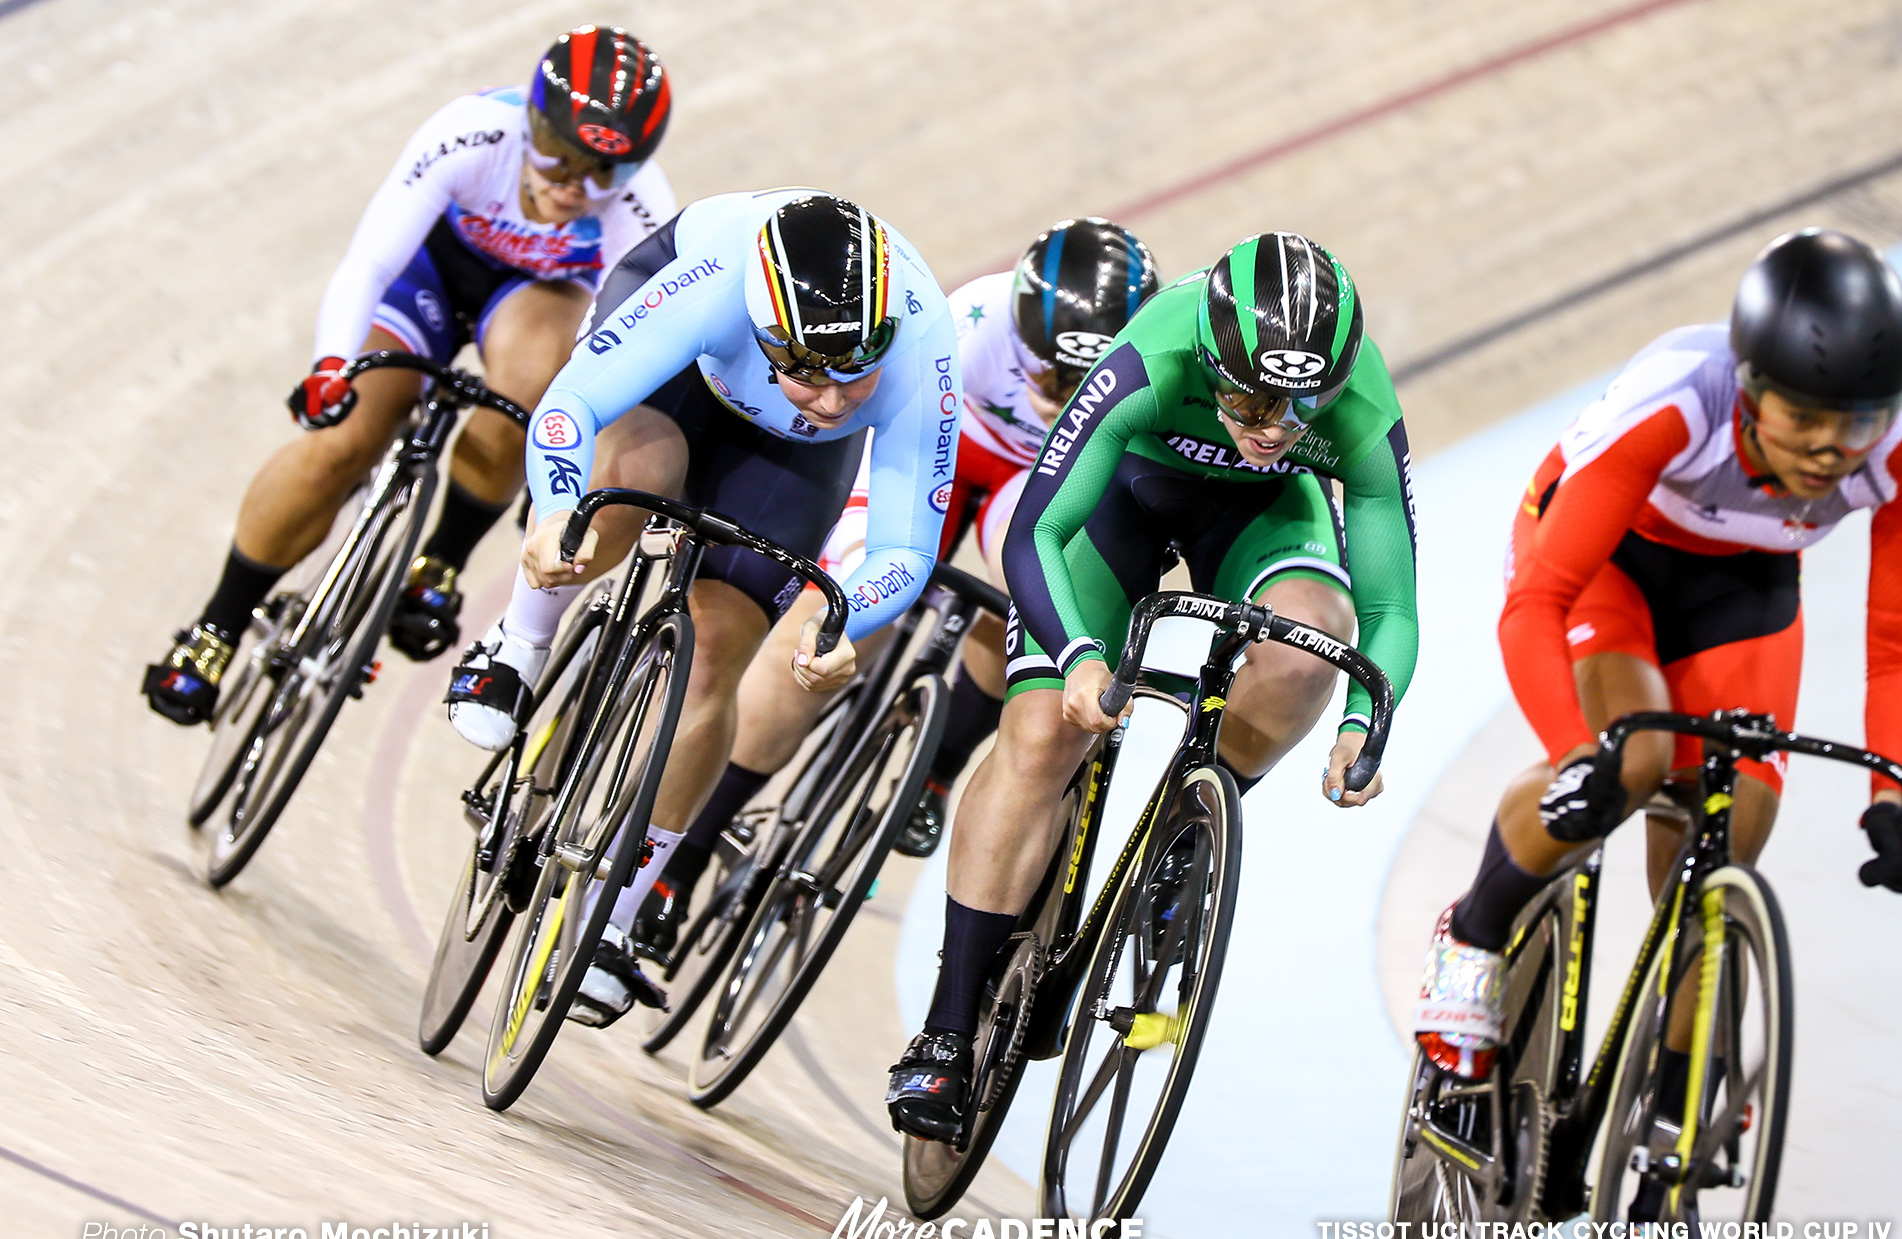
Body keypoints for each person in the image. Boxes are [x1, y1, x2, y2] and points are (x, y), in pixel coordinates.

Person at [1406, 228, 1902, 1239]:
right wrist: (1575, 753)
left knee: (1731, 824)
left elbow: (1900, 642)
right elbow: (1538, 600)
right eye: (1804, 415)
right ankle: (1469, 938)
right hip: (1602, 556)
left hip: (1743, 590)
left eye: (1856, 422)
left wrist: (1892, 785)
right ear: (1749, 388)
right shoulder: (1677, 403)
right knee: (1633, 760)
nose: (1832, 449)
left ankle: (1665, 1141)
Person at [887, 232, 1422, 1138]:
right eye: (1251, 399)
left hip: (1262, 518)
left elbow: (1390, 607)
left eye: (1300, 411)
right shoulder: (1155, 354)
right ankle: (945, 1031)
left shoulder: (1361, 406)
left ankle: (1183, 839)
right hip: (1119, 501)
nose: (1271, 428)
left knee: (1309, 647)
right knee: (1046, 736)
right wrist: (1081, 657)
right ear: (1212, 361)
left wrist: (1367, 719)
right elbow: (1037, 533)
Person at [442, 190, 960, 1025]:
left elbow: (905, 548)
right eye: (809, 373)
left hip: (790, 458)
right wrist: (553, 511)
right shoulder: (716, 284)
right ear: (767, 330)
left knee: (719, 653)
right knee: (630, 481)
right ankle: (517, 647)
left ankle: (612, 917)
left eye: (854, 376)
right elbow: (575, 406)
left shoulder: (922, 344)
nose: (833, 400)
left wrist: (841, 623)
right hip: (682, 374)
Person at [631, 218, 1162, 963]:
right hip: (944, 448)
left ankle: (938, 771)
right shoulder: (973, 324)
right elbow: (897, 449)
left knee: (1030, 599)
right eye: (1046, 373)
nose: (1059, 395)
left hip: (1036, 483)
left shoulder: (1148, 375)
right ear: (1019, 332)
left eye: (1081, 382)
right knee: (829, 623)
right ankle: (680, 861)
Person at [143, 26, 677, 723]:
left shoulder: (642, 213)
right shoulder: (473, 133)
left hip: (536, 303)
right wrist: (331, 369)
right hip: (430, 276)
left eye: (605, 171)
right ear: (531, 124)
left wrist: (559, 466)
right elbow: (369, 262)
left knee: (528, 398)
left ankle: (440, 561)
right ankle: (217, 624)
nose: (576, 187)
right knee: (340, 443)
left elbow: (613, 356)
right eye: (559, 157)